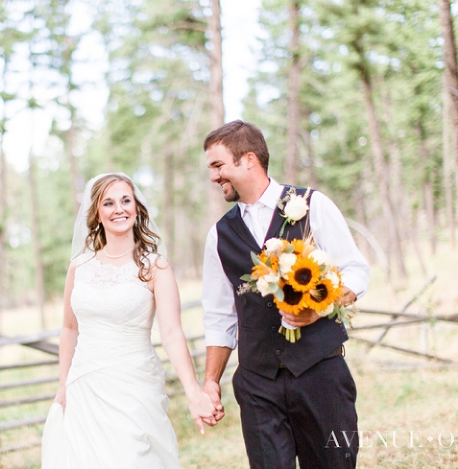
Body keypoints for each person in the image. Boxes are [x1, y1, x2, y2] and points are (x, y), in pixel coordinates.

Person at [200, 120, 371, 469]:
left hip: (321, 374)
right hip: (258, 382)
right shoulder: (219, 235)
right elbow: (220, 317)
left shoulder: (311, 205)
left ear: (248, 160)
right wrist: (210, 382)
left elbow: (356, 270)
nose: (214, 176)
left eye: (218, 166)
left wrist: (319, 308)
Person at [41, 172, 216, 468]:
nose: (119, 209)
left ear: (137, 208)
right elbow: (70, 328)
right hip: (85, 385)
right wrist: (63, 385)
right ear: (97, 214)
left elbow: (172, 333)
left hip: (133, 386)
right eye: (108, 203)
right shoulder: (79, 267)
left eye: (125, 200)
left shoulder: (155, 267)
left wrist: (193, 391)